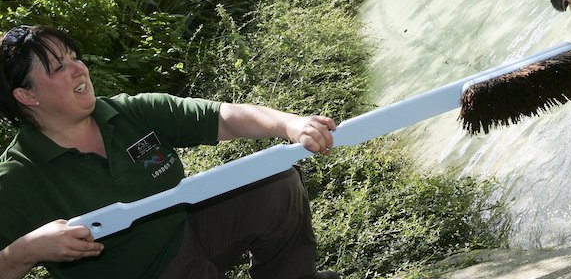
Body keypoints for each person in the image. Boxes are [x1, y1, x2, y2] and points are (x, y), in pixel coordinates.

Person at [0, 25, 341, 279]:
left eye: (74, 58)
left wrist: (289, 124)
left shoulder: (127, 113)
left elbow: (221, 117)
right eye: (59, 67)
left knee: (275, 183)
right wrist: (28, 249)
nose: (79, 69)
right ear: (27, 96)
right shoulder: (16, 177)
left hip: (189, 225)